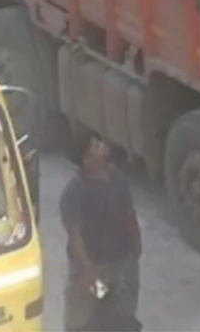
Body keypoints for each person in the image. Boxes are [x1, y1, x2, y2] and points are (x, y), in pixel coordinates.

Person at [60, 132, 141, 332]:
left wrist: (136, 244)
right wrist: (87, 269)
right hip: (97, 268)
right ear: (86, 159)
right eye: (96, 146)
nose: (103, 147)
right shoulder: (75, 193)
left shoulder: (117, 179)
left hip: (121, 263)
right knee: (86, 313)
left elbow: (129, 213)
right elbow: (75, 235)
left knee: (122, 312)